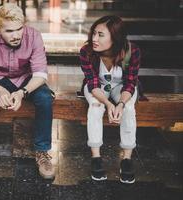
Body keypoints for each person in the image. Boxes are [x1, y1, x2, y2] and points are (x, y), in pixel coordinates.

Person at [0, 3, 55, 180]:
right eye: (9, 31)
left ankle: (42, 152)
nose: (16, 36)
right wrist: (0, 91)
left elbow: (40, 75)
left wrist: (22, 92)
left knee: (46, 98)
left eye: (19, 29)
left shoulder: (34, 36)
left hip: (27, 79)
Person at [80, 15, 140, 184]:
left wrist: (120, 103)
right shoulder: (86, 51)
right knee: (95, 105)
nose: (94, 38)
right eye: (94, 33)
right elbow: (92, 83)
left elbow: (130, 83)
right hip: (98, 88)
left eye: (100, 35)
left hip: (122, 88)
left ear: (115, 37)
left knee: (128, 109)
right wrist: (107, 104)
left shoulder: (132, 51)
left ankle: (127, 159)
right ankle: (96, 157)